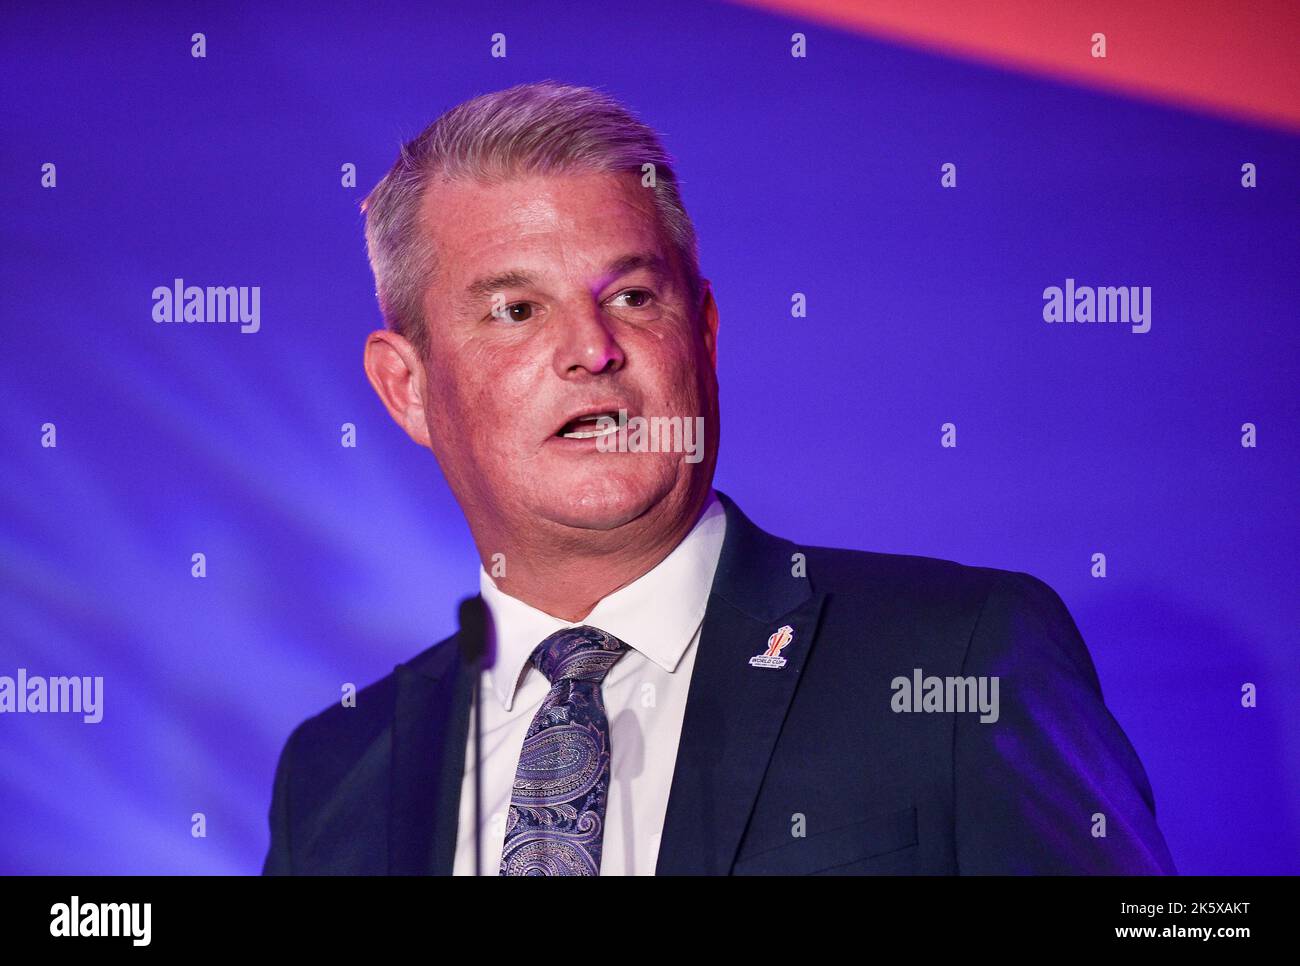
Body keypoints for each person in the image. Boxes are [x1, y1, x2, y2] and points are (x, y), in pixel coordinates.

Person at [261, 80, 1176, 875]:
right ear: (405, 388)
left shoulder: (960, 657)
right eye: (516, 309)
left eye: (632, 296)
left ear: (701, 335)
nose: (592, 349)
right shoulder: (338, 772)